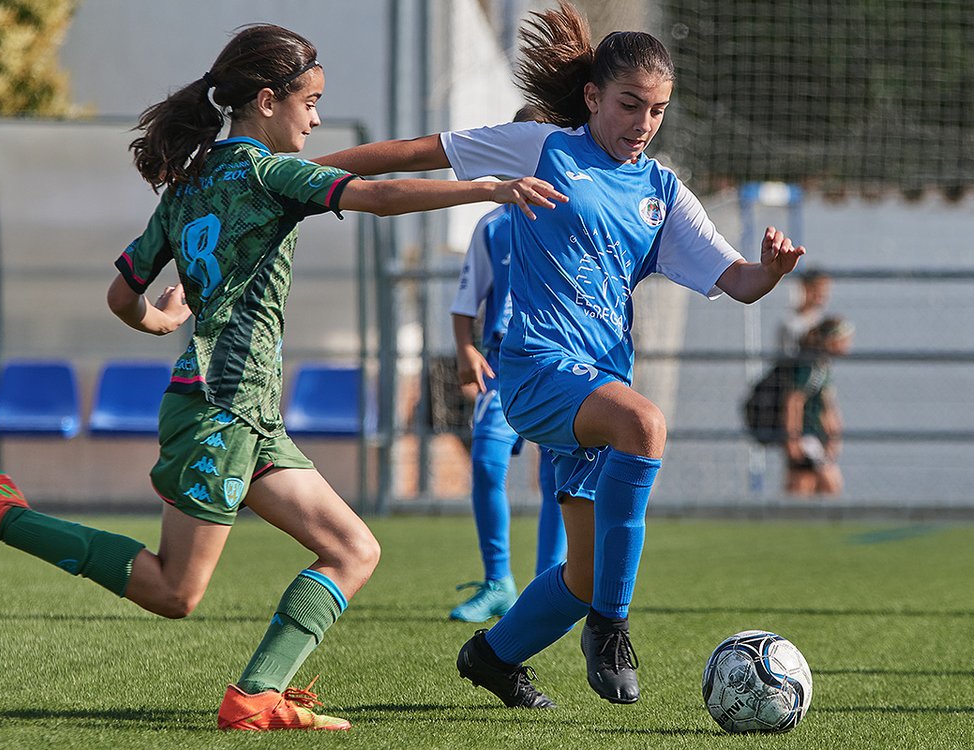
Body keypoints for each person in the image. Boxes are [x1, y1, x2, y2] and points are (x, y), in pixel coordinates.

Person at [0, 23, 564, 732]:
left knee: (353, 549)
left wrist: (162, 320)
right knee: (173, 591)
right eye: (311, 101)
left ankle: (255, 697)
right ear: (268, 100)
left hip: (241, 412)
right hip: (222, 412)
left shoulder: (192, 181)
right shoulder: (268, 172)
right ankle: (0, 512)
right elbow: (377, 195)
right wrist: (488, 187)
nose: (315, 117)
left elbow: (122, 294)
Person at [316, 1, 804, 709]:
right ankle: (611, 628)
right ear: (592, 97)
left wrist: (773, 272)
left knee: (583, 571)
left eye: (658, 111)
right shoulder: (542, 147)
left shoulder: (662, 193)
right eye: (630, 104)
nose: (642, 124)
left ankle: (492, 657)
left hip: (599, 386)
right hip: (537, 372)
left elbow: (739, 282)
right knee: (646, 427)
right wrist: (299, 174)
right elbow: (419, 151)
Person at [449, 104, 567, 622]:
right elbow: (465, 299)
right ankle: (498, 581)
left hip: (563, 365)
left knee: (557, 475)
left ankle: (552, 585)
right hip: (502, 366)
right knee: (486, 461)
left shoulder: (573, 214)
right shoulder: (492, 226)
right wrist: (465, 350)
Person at [783, 316, 853, 497]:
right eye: (844, 339)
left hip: (815, 435)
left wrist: (833, 436)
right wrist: (793, 439)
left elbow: (826, 406)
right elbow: (794, 401)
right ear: (831, 339)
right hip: (805, 435)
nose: (848, 344)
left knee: (804, 483)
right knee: (829, 484)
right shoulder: (810, 366)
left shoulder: (823, 365)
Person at [778, 267, 831, 357]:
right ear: (804, 288)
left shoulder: (821, 320)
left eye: (825, 289)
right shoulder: (790, 324)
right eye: (817, 289)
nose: (822, 294)